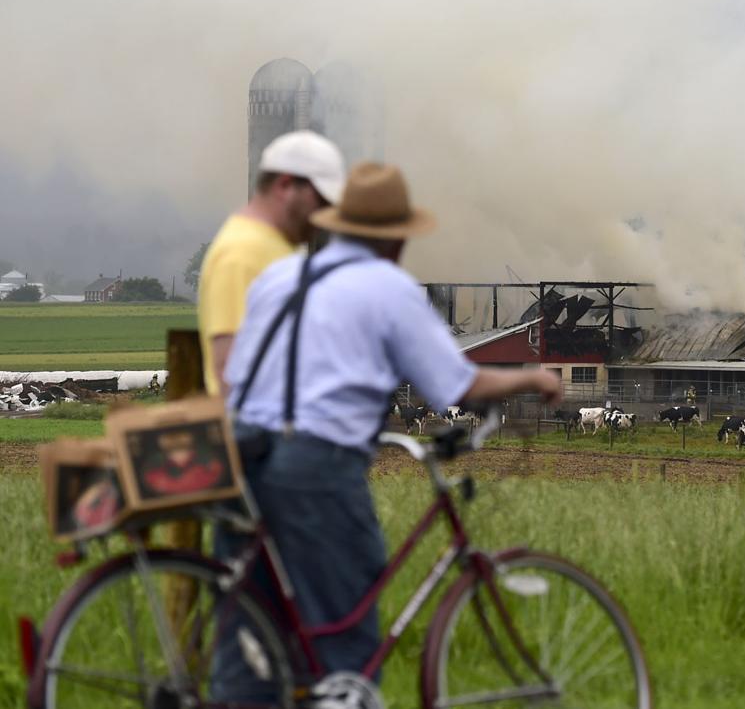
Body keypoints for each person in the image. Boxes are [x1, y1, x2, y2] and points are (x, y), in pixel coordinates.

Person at [218, 161, 563, 686]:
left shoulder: (281, 277)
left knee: (254, 631)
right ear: (396, 238)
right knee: (346, 622)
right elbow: (458, 384)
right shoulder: (387, 287)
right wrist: (532, 381)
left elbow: (236, 375)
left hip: (237, 456)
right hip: (316, 465)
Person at [198, 131, 346, 397]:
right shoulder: (243, 253)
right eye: (321, 202)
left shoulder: (278, 247)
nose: (326, 215)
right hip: (261, 436)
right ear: (285, 185)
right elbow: (229, 371)